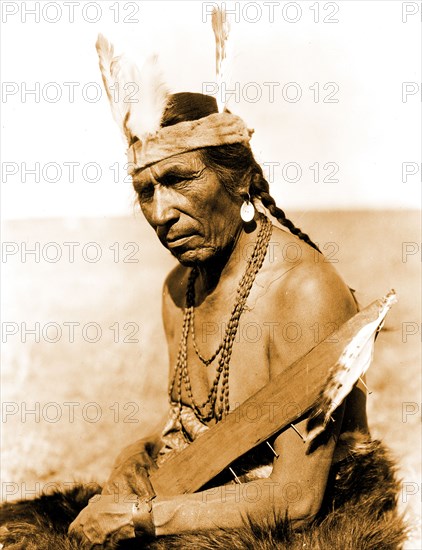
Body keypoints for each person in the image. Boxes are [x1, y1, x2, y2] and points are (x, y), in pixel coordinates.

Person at [67, 90, 394, 548]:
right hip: (203, 498)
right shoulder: (180, 288)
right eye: (146, 191)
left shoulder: (304, 292)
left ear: (239, 182)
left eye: (180, 179)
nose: (161, 214)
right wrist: (133, 456)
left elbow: (298, 499)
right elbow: (205, 423)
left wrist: (142, 518)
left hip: (312, 524)